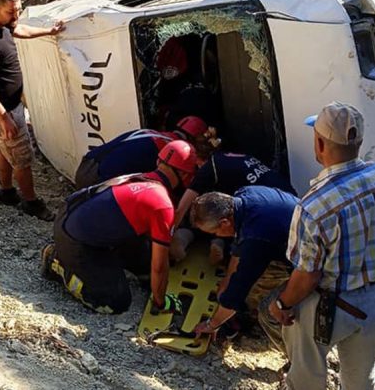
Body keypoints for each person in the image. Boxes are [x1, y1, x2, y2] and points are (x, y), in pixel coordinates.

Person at [262, 102, 375, 390]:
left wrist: (283, 304)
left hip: (330, 308)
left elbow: (308, 276)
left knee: (307, 377)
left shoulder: (313, 206)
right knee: (361, 379)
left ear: (319, 144)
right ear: (358, 142)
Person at [40, 140, 198, 314]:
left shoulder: (142, 178)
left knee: (145, 268)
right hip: (75, 239)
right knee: (114, 302)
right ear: (185, 176)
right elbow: (160, 267)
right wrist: (161, 302)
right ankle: (56, 262)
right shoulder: (163, 205)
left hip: (72, 216)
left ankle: (98, 260)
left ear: (158, 161)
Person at [0, 0, 64, 221]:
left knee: (6, 148)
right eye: (11, 12)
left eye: (19, 10)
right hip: (2, 109)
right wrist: (4, 117)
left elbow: (20, 29)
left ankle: (6, 193)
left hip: (9, 105)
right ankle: (32, 203)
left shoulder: (4, 25)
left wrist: (49, 32)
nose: (16, 16)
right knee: (22, 157)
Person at [188, 187, 298, 342]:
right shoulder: (246, 194)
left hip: (317, 266)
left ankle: (299, 360)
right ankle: (242, 315)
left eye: (214, 233)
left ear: (224, 222)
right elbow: (239, 249)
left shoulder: (256, 237)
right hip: (289, 241)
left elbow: (239, 287)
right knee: (252, 286)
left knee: (269, 310)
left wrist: (212, 324)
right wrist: (227, 281)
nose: (217, 236)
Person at [170, 141, 296, 264]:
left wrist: (167, 237)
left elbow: (181, 209)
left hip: (269, 208)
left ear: (197, 161)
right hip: (286, 197)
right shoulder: (226, 158)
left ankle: (207, 241)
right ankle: (217, 242)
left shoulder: (208, 169)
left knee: (207, 218)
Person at [73, 115, 208, 189]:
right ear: (192, 139)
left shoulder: (148, 132)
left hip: (84, 168)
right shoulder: (169, 152)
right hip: (98, 182)